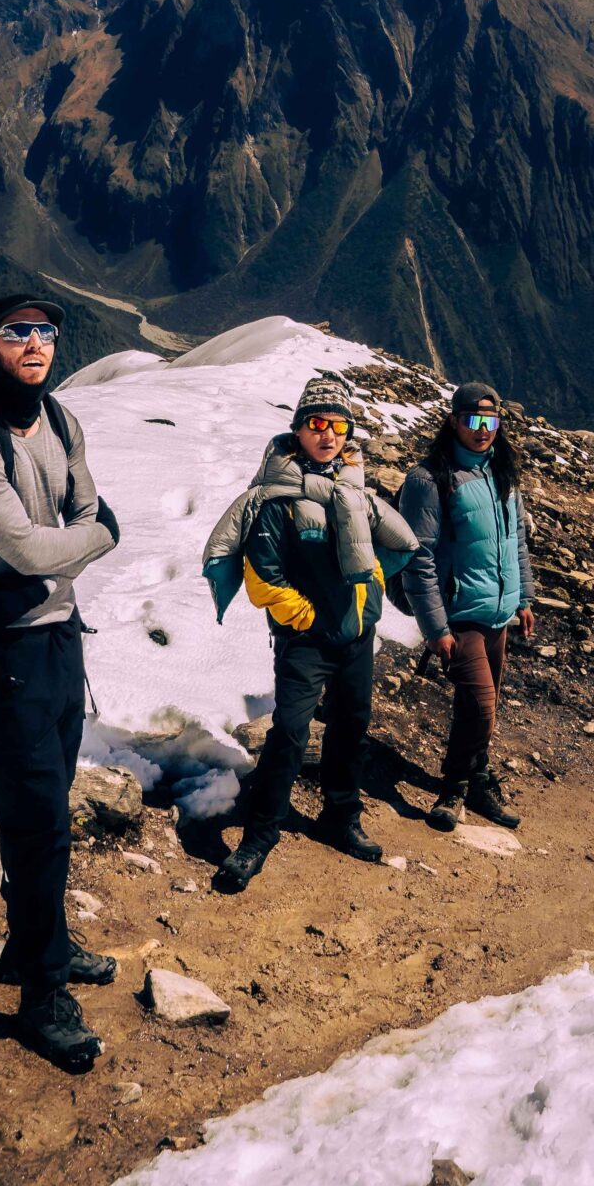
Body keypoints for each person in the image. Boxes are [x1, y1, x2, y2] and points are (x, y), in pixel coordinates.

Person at [0, 295, 120, 1074]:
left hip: (56, 641)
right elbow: (48, 546)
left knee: (45, 803)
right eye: (17, 333)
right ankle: (42, 995)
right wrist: (100, 535)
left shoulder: (61, 420)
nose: (35, 343)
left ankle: (42, 942)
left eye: (45, 332)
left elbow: (71, 513)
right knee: (37, 816)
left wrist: (74, 534)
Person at [202, 372, 417, 893]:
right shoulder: (275, 498)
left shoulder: (353, 491)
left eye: (339, 426)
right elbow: (262, 573)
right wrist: (308, 619)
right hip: (305, 642)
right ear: (298, 429)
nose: (329, 435)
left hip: (356, 635)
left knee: (351, 727)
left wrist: (368, 603)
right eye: (318, 424)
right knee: (291, 733)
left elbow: (379, 554)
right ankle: (260, 835)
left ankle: (341, 818)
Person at [399, 381, 536, 833]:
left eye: (491, 420)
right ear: (453, 420)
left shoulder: (501, 473)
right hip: (460, 615)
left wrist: (525, 598)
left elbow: (515, 542)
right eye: (473, 420)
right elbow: (417, 559)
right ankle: (456, 784)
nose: (482, 430)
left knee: (477, 705)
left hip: (498, 610)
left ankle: (472, 780)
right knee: (481, 706)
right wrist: (435, 627)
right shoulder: (430, 480)